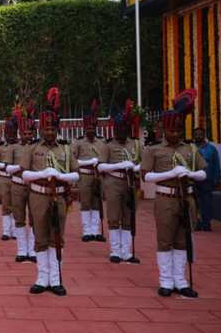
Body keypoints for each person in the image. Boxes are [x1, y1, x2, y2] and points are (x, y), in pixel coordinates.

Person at [142, 90, 207, 298]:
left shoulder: (190, 149)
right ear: (164, 130)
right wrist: (170, 173)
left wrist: (191, 173)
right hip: (165, 197)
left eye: (178, 131)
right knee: (165, 239)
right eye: (172, 131)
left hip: (186, 197)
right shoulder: (154, 150)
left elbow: (203, 173)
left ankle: (181, 280)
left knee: (183, 240)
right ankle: (166, 281)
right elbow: (146, 176)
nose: (175, 134)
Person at [20, 88, 79, 296]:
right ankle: (41, 278)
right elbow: (24, 174)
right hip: (38, 195)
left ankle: (55, 279)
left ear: (57, 129)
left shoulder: (65, 148)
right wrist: (44, 173)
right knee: (40, 236)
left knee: (57, 237)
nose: (49, 133)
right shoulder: (32, 148)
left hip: (59, 196)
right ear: (40, 130)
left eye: (52, 129)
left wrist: (60, 176)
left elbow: (76, 175)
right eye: (46, 129)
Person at [98, 100, 142, 264]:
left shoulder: (136, 144)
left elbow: (145, 163)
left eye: (123, 128)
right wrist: (119, 165)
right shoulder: (108, 145)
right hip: (114, 182)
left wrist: (135, 168)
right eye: (117, 128)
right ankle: (115, 251)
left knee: (129, 216)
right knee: (114, 216)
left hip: (130, 183)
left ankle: (127, 252)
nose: (120, 131)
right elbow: (101, 166)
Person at [6, 103, 37, 263]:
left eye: (30, 132)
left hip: (33, 186)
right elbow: (7, 168)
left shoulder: (38, 147)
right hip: (17, 184)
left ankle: (32, 250)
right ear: (20, 133)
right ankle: (21, 249)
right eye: (25, 132)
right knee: (19, 217)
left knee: (34, 218)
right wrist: (20, 167)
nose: (28, 135)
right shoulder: (13, 147)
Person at [74, 100, 105, 242]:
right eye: (88, 127)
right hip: (85, 175)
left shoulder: (101, 142)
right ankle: (86, 230)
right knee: (86, 203)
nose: (91, 130)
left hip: (98, 176)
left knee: (97, 202)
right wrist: (88, 162)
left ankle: (96, 230)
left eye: (93, 127)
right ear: (84, 128)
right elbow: (73, 161)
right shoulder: (79, 142)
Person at [0, 115, 19, 241]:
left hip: (18, 179)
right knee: (6, 205)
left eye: (13, 132)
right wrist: (6, 166)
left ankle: (15, 231)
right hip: (4, 178)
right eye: (8, 133)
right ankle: (6, 231)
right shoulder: (0, 147)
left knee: (17, 206)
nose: (10, 135)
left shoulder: (21, 146)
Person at [193, 126, 220, 231]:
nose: (198, 136)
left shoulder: (211, 149)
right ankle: (196, 223)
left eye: (200, 134)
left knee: (206, 203)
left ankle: (206, 223)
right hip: (193, 180)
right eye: (196, 134)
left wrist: (216, 179)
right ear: (194, 136)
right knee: (194, 203)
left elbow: (216, 165)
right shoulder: (190, 148)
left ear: (204, 135)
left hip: (207, 181)